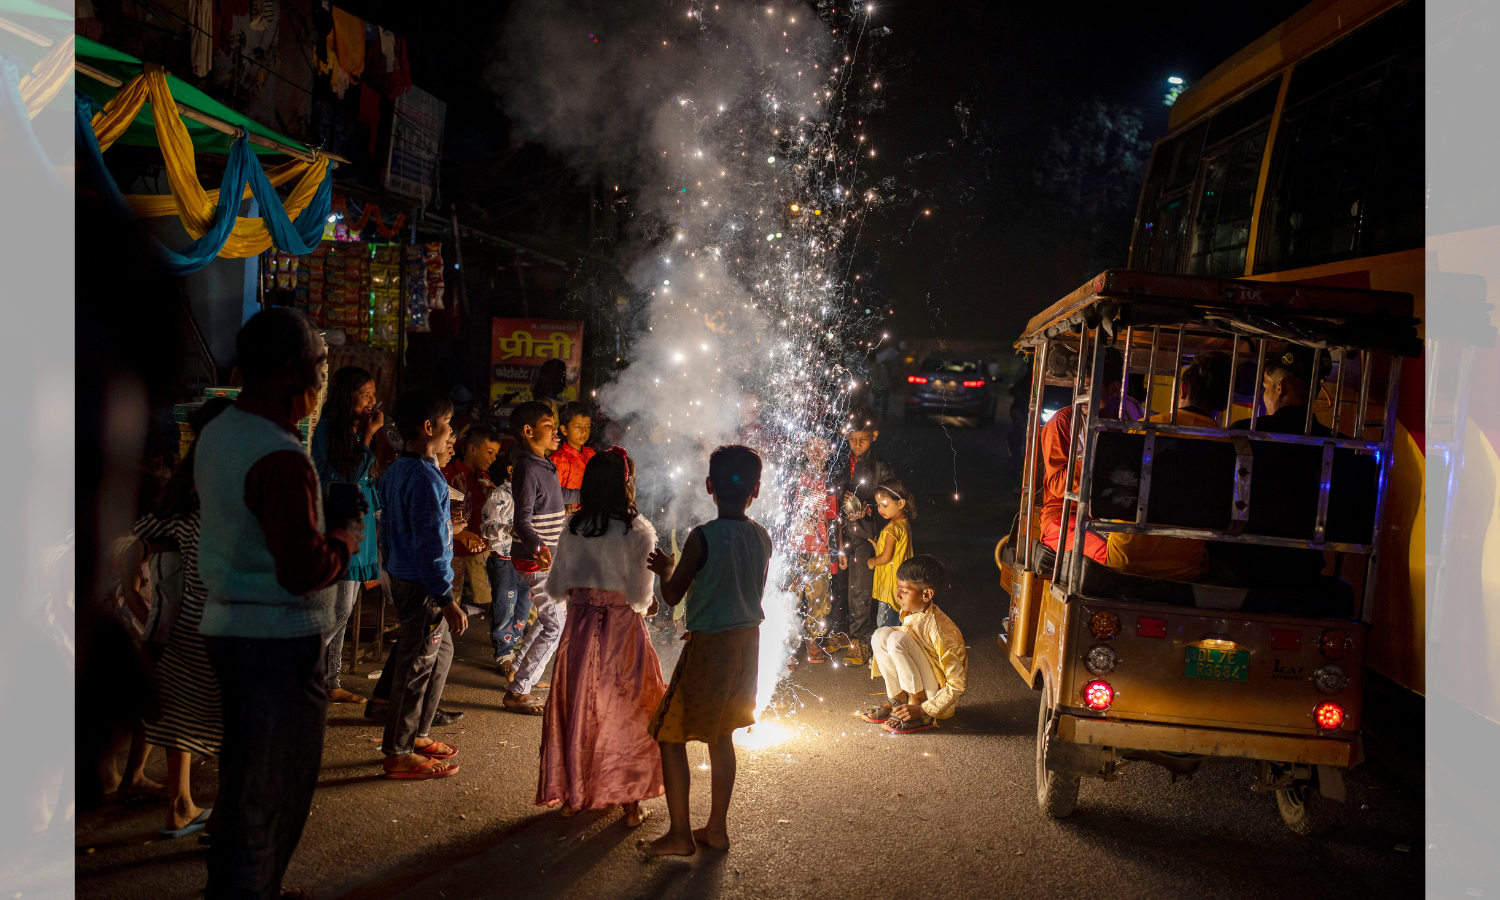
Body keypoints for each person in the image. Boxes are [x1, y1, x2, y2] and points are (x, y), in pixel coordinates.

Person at [194, 308, 363, 899]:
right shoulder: (281, 455)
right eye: (320, 366)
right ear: (295, 371)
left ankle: (246, 883)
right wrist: (346, 534)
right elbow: (302, 569)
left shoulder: (220, 431)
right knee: (272, 796)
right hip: (276, 640)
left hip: (228, 627)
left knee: (245, 783)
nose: (321, 382)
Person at [642, 445, 772, 857]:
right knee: (721, 734)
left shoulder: (702, 537)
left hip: (711, 647)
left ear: (709, 486)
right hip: (747, 645)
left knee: (667, 731)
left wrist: (665, 569)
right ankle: (717, 828)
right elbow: (749, 592)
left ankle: (680, 833)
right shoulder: (761, 536)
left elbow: (673, 595)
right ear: (756, 489)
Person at [121, 398, 232, 839]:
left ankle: (181, 804)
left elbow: (139, 538)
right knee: (232, 723)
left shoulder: (187, 485)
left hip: (187, 621)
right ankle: (226, 821)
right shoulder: (227, 487)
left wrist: (132, 586)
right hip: (224, 622)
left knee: (182, 712)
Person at [536, 452, 665, 826]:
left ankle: (575, 795)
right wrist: (650, 605)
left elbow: (558, 586)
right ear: (626, 484)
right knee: (626, 711)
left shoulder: (574, 526)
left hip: (579, 630)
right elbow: (641, 598)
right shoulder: (637, 531)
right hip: (622, 633)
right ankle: (629, 803)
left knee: (579, 707)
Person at [376, 389, 469, 780]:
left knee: (439, 654)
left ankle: (418, 734)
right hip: (424, 586)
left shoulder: (398, 469)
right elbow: (431, 545)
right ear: (428, 427)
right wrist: (446, 598)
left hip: (405, 576)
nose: (452, 435)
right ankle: (398, 751)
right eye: (448, 425)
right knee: (415, 668)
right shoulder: (426, 479)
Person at [1105, 351, 1231, 581]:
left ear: (1182, 390)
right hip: (1184, 570)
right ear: (1223, 404)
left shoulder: (1144, 428)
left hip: (1124, 561)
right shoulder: (1227, 445)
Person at [1216, 345, 1335, 587]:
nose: (1264, 394)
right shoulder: (1340, 445)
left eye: (1265, 387)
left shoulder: (1242, 434)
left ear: (1280, 388)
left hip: (1240, 566)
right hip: (1304, 571)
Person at [309, 366, 385, 705]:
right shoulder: (328, 430)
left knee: (348, 606)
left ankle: (331, 680)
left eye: (373, 394)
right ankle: (294, 672)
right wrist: (368, 437)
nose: (372, 401)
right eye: (365, 394)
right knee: (336, 609)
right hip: (339, 523)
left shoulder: (354, 432)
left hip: (359, 525)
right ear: (346, 396)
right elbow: (349, 476)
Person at [1037, 345, 1143, 565]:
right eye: (1077, 389)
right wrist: (1102, 456)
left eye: (1086, 389)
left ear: (1114, 389)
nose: (1080, 397)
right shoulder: (1063, 422)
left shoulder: (1134, 415)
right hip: (1067, 515)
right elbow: (1057, 484)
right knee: (1112, 555)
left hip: (1120, 511)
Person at [504, 401, 567, 715]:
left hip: (542, 557)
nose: (555, 430)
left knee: (549, 620)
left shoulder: (542, 463)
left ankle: (518, 668)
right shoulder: (529, 467)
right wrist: (540, 548)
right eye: (548, 424)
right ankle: (519, 690)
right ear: (528, 431)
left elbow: (559, 496)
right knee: (555, 626)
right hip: (535, 558)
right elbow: (522, 520)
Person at [860, 555, 968, 735]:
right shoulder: (912, 611)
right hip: (920, 680)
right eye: (898, 588)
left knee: (897, 640)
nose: (897, 595)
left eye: (904, 590)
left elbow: (958, 684)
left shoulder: (942, 630)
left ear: (927, 594)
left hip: (934, 697)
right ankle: (898, 700)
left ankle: (917, 706)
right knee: (881, 634)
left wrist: (925, 708)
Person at [840, 412, 895, 666]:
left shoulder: (880, 465)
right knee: (840, 585)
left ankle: (860, 641)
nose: (857, 444)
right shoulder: (840, 460)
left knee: (860, 585)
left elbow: (891, 496)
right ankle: (843, 633)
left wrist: (870, 508)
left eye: (863, 439)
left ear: (874, 437)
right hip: (839, 531)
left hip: (865, 533)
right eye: (852, 439)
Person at [789, 436, 840, 663]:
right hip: (794, 547)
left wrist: (837, 551)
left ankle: (812, 640)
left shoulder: (831, 481)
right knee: (790, 595)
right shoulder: (793, 477)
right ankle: (787, 647)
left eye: (822, 447)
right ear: (806, 450)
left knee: (819, 597)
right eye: (812, 447)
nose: (817, 452)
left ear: (829, 450)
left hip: (820, 548)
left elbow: (834, 517)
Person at [483, 445, 532, 679]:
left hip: (526, 558)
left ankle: (515, 649)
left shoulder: (531, 494)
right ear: (512, 470)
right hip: (504, 558)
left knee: (524, 605)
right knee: (505, 603)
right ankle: (503, 653)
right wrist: (509, 529)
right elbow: (487, 526)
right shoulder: (499, 495)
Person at [443, 425, 501, 607]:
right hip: (453, 549)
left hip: (478, 547)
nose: (494, 458)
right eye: (489, 452)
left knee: (489, 598)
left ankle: (498, 635)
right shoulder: (448, 474)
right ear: (472, 449)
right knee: (451, 599)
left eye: (495, 453)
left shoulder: (483, 477)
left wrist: (490, 497)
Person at [867, 479, 916, 630]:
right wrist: (879, 546)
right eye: (879, 505)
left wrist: (873, 561)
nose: (881, 509)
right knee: (898, 622)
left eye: (885, 505)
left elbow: (886, 558)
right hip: (902, 583)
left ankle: (883, 653)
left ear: (901, 503)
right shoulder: (903, 523)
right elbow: (896, 551)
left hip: (890, 587)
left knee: (885, 625)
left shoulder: (891, 529)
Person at [550, 401, 596, 511]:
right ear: (564, 430)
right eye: (578, 427)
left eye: (587, 427)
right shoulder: (557, 459)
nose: (584, 432)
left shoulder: (591, 454)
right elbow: (551, 492)